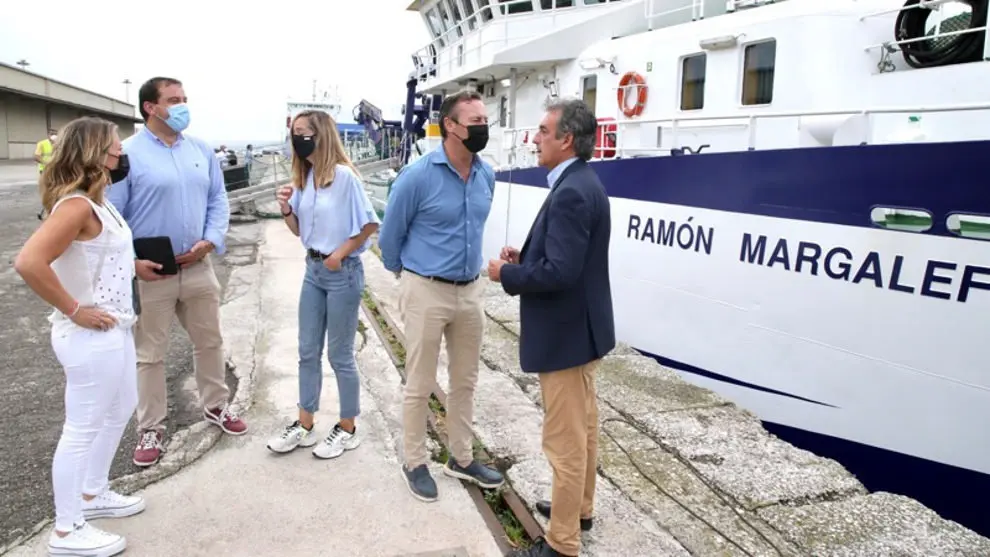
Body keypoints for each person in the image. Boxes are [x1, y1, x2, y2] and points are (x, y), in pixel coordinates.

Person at [487, 98, 615, 557]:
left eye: (543, 130)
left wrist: (508, 275)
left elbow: (560, 273)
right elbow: (568, 263)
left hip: (565, 337)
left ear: (566, 139)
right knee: (584, 431)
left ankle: (562, 544)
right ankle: (577, 510)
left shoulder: (572, 191)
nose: (534, 138)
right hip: (582, 330)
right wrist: (527, 261)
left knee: (563, 441)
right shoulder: (581, 182)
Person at [15, 116, 145, 556]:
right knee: (82, 427)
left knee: (122, 406)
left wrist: (135, 268)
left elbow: (99, 257)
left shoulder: (100, 203)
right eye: (114, 147)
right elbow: (29, 262)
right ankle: (66, 531)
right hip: (91, 335)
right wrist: (74, 308)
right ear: (94, 153)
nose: (120, 154)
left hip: (116, 327)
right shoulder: (74, 207)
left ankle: (92, 494)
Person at [106, 76, 247, 469]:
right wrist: (131, 263)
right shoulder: (127, 155)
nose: (183, 105)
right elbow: (112, 215)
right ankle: (151, 426)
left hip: (199, 264)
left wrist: (211, 239)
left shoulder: (201, 150)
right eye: (174, 100)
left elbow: (218, 199)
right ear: (151, 107)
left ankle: (216, 405)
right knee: (150, 353)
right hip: (154, 272)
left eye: (185, 98)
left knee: (210, 341)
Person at [378, 89, 504, 502]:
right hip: (426, 289)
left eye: (485, 121)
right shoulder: (417, 176)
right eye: (475, 122)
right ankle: (414, 461)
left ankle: (461, 458)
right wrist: (411, 278)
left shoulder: (486, 174)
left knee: (465, 380)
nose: (483, 128)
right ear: (450, 126)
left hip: (470, 292)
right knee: (420, 381)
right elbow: (390, 237)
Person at [266, 110, 379, 457]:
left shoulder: (344, 177)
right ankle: (304, 423)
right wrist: (286, 208)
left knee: (339, 354)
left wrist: (339, 254)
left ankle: (348, 427)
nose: (297, 139)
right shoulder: (308, 176)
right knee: (306, 351)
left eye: (303, 132)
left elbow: (369, 225)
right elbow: (300, 230)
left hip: (341, 272)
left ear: (321, 135)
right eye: (294, 133)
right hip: (313, 271)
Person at [35, 128, 57, 219]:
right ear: (48, 135)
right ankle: (48, 210)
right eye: (52, 134)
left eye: (56, 134)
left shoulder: (59, 144)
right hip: (45, 170)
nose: (54, 136)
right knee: (48, 190)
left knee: (56, 189)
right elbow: (36, 157)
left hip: (56, 170)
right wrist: (46, 163)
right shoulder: (42, 143)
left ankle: (53, 208)